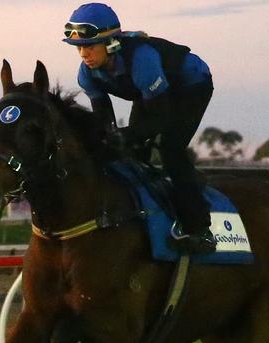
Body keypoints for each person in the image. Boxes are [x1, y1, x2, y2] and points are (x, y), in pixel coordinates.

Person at [62, 3, 217, 254]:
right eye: (79, 47)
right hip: (148, 92)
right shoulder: (87, 75)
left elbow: (160, 119)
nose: (83, 54)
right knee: (127, 151)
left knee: (169, 148)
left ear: (111, 43)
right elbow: (105, 125)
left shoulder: (142, 60)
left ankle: (200, 229)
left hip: (190, 86)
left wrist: (128, 136)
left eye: (89, 46)